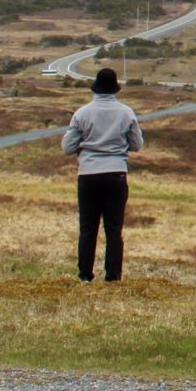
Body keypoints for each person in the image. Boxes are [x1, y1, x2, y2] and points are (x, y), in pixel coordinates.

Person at [62, 67, 143, 282]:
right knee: (114, 229)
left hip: (88, 174)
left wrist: (85, 145)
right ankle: (113, 275)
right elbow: (137, 144)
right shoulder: (126, 113)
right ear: (115, 89)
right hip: (116, 174)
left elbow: (67, 147)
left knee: (88, 228)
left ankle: (85, 275)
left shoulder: (82, 113)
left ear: (95, 88)